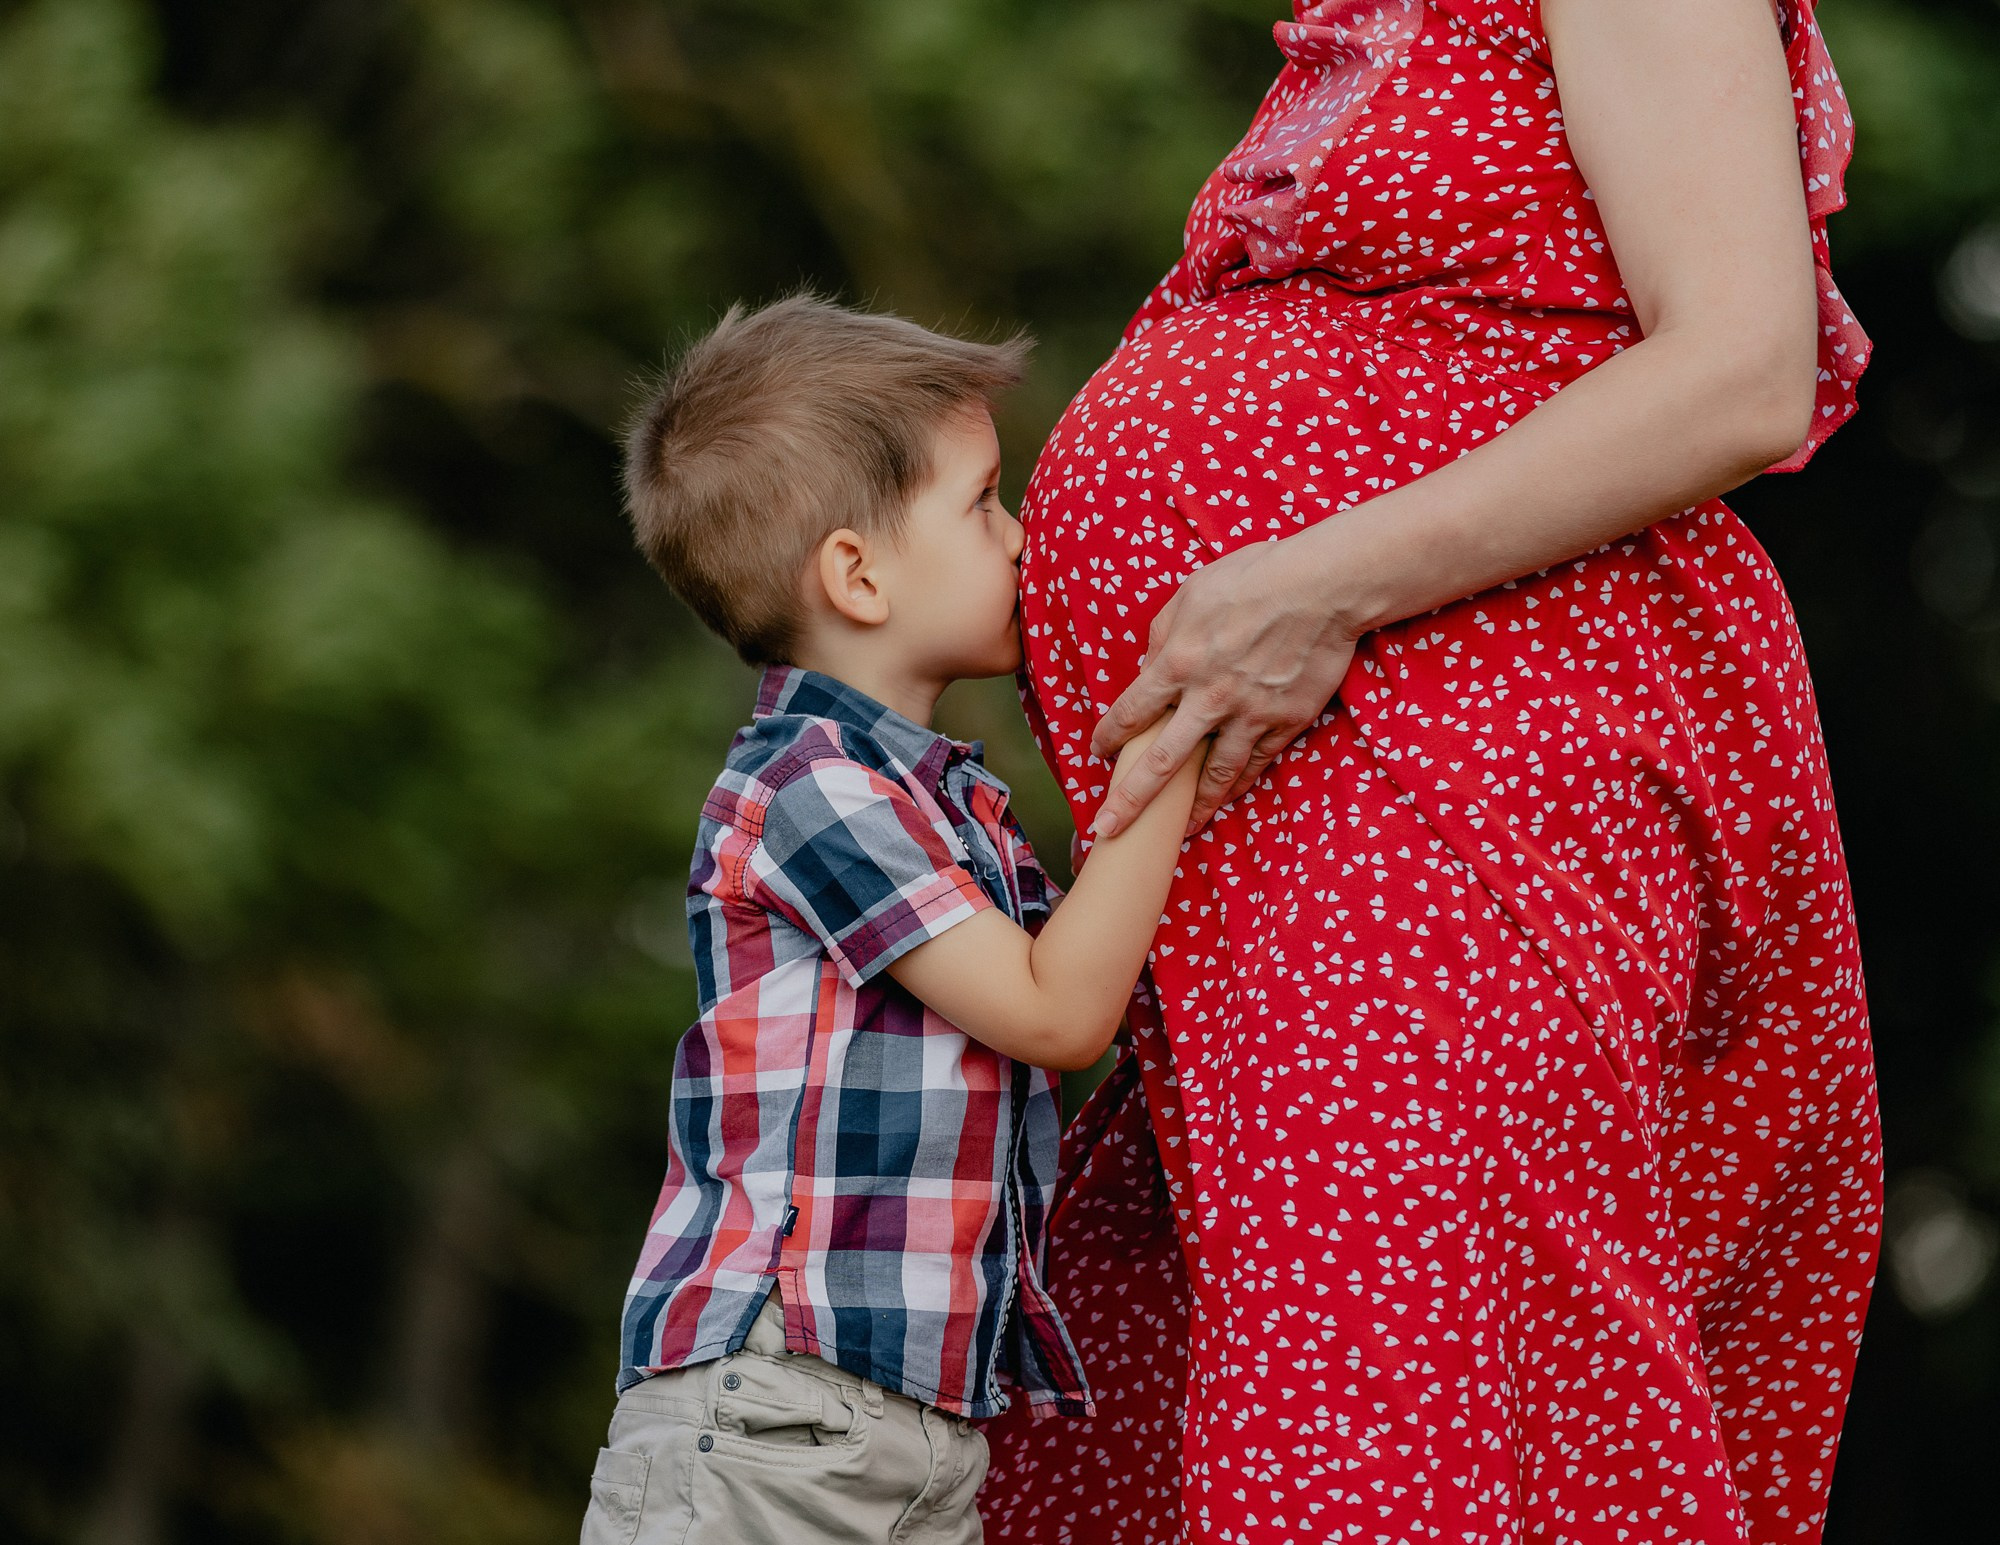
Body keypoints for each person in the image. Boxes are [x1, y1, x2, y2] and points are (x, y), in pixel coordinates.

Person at [981, 1, 1883, 1543]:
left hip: (1476, 764)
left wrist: (1314, 588)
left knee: (1386, 1387)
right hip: (1322, 817)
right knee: (1319, 1377)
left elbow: (1743, 367)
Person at [579, 296, 1204, 1545]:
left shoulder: (939, 797)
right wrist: (1182, 730)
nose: (1021, 537)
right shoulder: (808, 789)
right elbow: (1055, 1011)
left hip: (907, 1436)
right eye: (983, 505)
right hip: (775, 1422)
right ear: (856, 575)